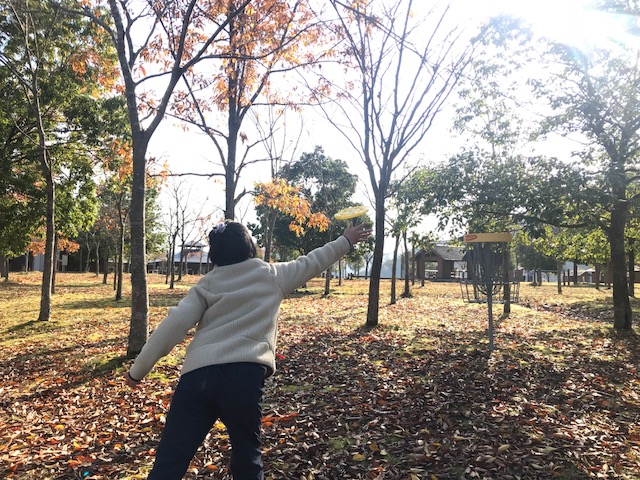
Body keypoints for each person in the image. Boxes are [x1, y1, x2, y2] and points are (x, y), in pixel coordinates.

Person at [124, 220, 372, 480]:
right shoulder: (272, 275)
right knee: (247, 459)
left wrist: (137, 371)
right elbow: (313, 261)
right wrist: (346, 240)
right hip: (244, 378)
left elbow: (173, 325)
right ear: (250, 246)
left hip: (198, 378)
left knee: (170, 460)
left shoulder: (207, 284)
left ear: (216, 255)